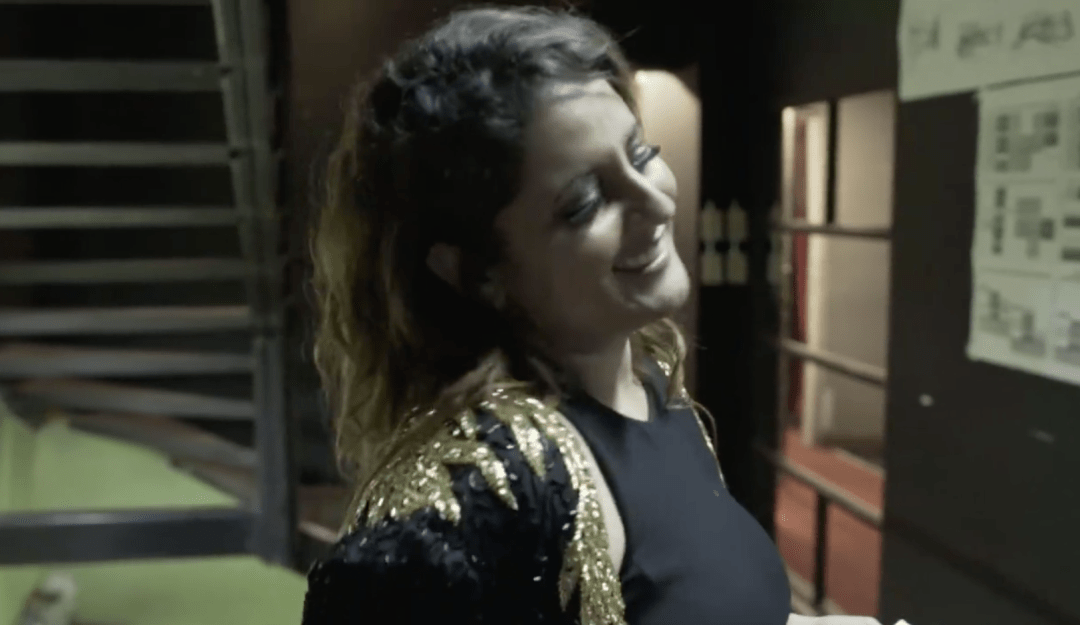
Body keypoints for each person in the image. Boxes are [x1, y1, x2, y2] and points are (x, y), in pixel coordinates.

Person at [302, 4, 884, 624]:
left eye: (640, 152)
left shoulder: (651, 380)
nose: (655, 202)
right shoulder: (481, 492)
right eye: (584, 203)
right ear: (476, 270)